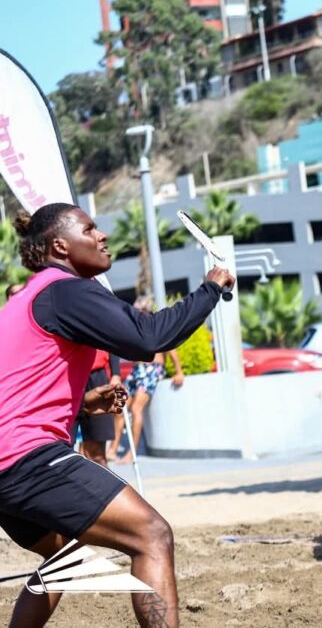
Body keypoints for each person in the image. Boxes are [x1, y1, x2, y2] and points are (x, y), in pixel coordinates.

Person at [0, 202, 234, 627]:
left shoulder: (32, 295)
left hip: (7, 462)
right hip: (23, 459)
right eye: (89, 229)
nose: (101, 235)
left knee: (64, 559)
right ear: (60, 246)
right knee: (152, 535)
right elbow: (149, 338)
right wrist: (211, 288)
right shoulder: (65, 290)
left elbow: (15, 388)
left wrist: (82, 405)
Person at [108, 297, 186, 464]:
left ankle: (132, 453)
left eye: (140, 311)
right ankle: (113, 449)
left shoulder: (155, 325)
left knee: (136, 408)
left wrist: (179, 372)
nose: (137, 313)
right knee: (120, 406)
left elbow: (172, 351)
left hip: (152, 370)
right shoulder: (137, 326)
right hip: (137, 370)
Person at [73, 349, 123, 467]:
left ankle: (105, 484)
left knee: (97, 456)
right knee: (64, 449)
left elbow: (112, 336)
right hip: (68, 375)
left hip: (96, 375)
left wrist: (116, 374)